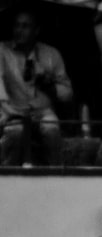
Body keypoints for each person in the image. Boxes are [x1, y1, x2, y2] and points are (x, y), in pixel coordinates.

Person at [0, 8, 74, 167]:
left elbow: (68, 95)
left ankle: (56, 177)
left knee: (51, 129)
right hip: (12, 111)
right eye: (17, 26)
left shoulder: (51, 54)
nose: (19, 30)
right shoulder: (2, 51)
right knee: (15, 132)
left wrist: (48, 82)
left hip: (43, 112)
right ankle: (7, 178)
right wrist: (9, 110)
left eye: (25, 26)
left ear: (36, 30)